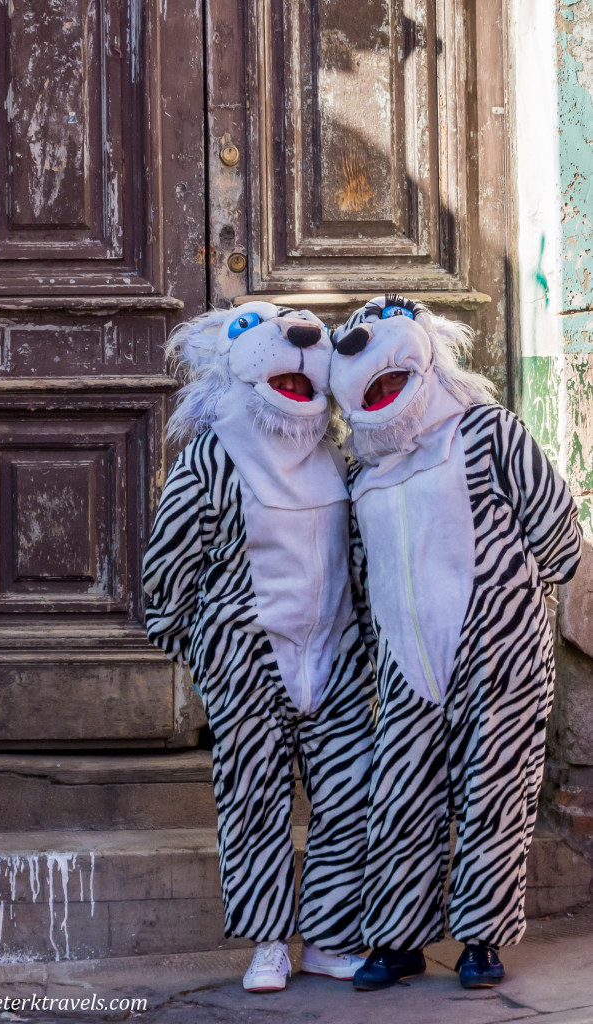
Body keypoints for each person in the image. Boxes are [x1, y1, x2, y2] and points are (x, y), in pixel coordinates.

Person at [329, 294, 582, 991]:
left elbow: (553, 521)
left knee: (492, 790)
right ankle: (399, 938)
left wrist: (533, 609)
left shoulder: (488, 432)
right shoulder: (362, 474)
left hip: (498, 654)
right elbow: (358, 567)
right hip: (407, 663)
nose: (379, 387)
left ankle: (482, 939)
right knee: (400, 795)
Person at [143, 302, 377, 992]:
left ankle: (332, 935)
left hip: (334, 658)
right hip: (248, 662)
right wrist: (208, 650)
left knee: (350, 791)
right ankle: (270, 941)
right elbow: (168, 568)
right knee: (253, 799)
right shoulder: (215, 457)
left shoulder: (336, 454)